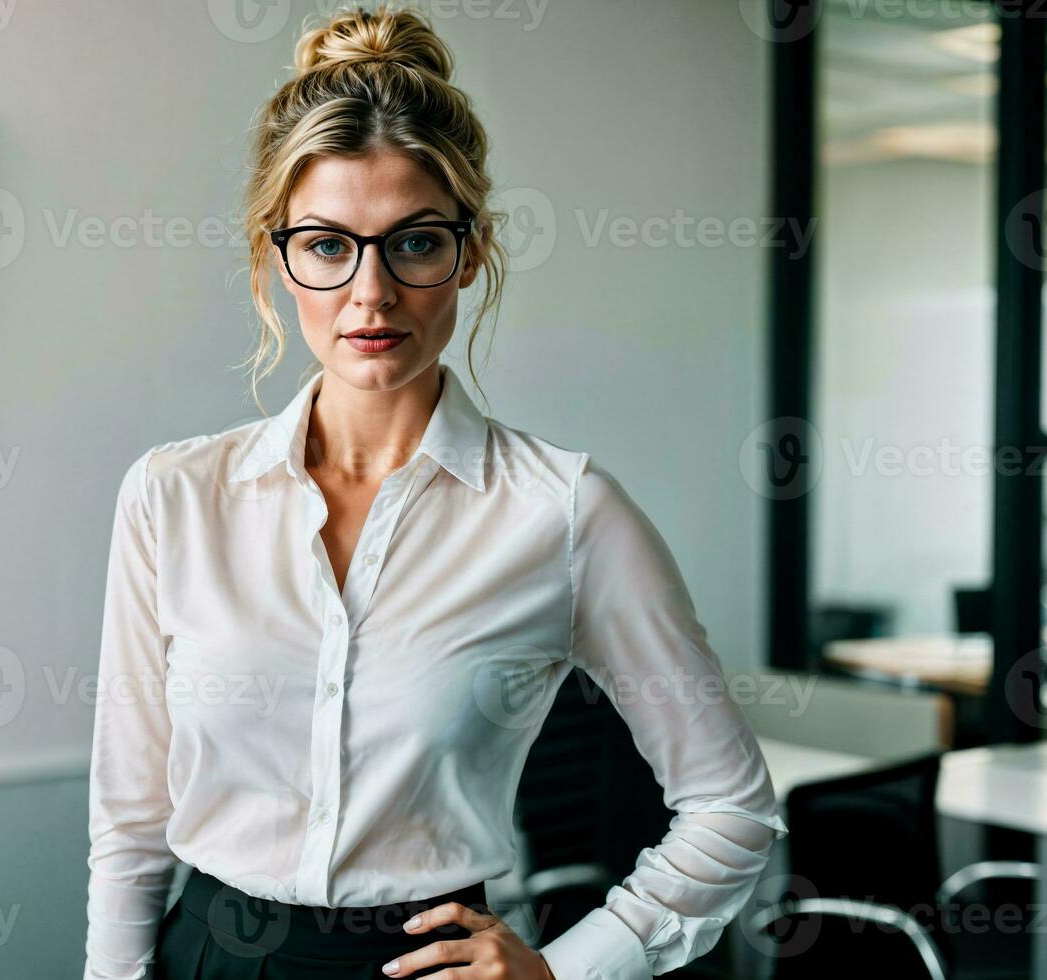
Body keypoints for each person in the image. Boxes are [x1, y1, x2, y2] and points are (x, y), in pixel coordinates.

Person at [82, 4, 788, 978]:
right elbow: (130, 819)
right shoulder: (174, 496)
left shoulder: (567, 513)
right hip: (206, 951)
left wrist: (568, 967)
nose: (370, 294)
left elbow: (732, 804)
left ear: (473, 250)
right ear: (272, 256)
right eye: (327, 244)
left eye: (413, 242)